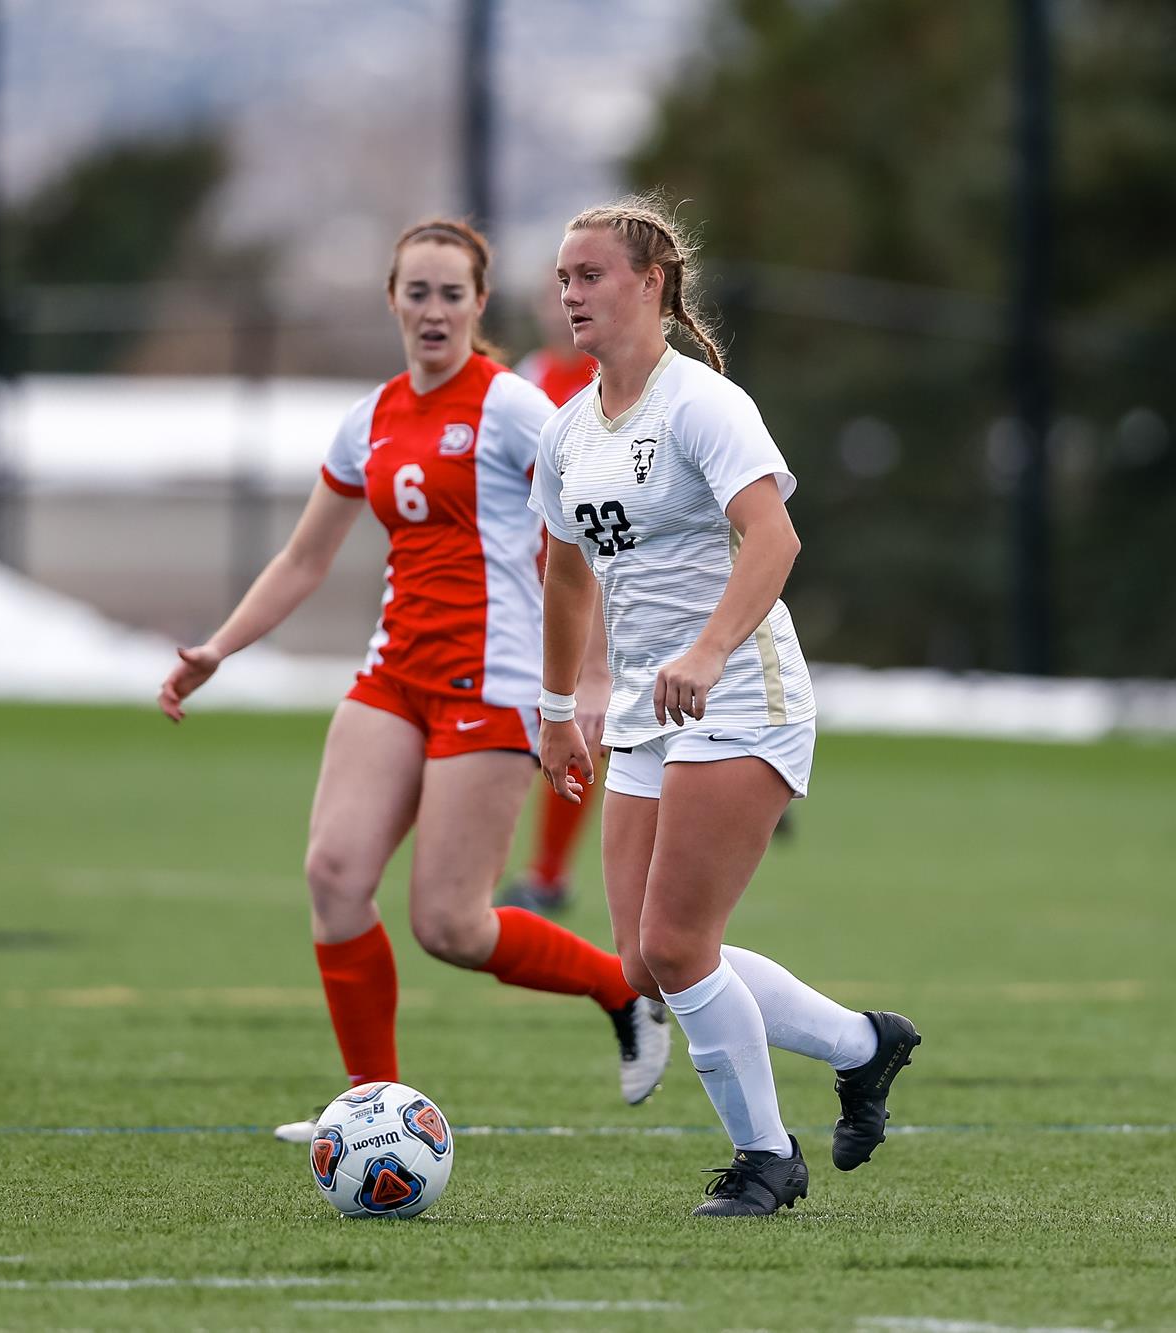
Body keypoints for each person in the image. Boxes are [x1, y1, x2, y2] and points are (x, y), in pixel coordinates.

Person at [159, 218, 670, 1139]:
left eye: (452, 294)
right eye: (417, 293)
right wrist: (218, 647)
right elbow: (304, 559)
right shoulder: (373, 417)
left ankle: (619, 990)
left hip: (493, 682)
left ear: (479, 306)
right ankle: (369, 1110)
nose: (433, 311)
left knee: (451, 924)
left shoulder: (514, 407)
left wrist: (591, 670)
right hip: (393, 675)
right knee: (333, 874)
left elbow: (585, 536)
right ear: (392, 301)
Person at [530, 196, 921, 1217]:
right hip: (645, 708)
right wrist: (555, 703)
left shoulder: (700, 401)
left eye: (590, 274)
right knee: (647, 963)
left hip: (743, 690)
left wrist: (706, 650)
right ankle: (862, 1044)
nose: (569, 292)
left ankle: (765, 1160)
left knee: (674, 943)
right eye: (562, 277)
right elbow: (565, 577)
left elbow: (774, 540)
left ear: (650, 281)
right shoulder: (570, 428)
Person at [497, 281, 606, 917]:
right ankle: (546, 873)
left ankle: (545, 875)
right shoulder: (528, 381)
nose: (565, 304)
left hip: (614, 577)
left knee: (596, 719)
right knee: (565, 717)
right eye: (555, 291)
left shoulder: (623, 378)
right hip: (547, 580)